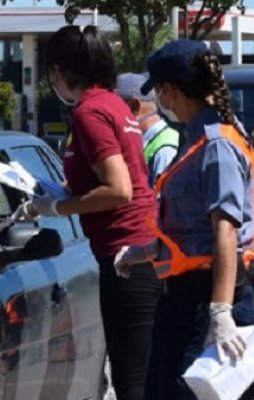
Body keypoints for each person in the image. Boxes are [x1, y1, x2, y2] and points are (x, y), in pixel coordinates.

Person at [114, 40, 254, 399]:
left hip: (205, 301)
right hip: (185, 300)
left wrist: (220, 312)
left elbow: (225, 231)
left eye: (161, 93)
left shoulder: (217, 144)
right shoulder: (196, 137)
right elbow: (192, 227)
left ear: (170, 91)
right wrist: (147, 250)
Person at [26, 25, 161, 400]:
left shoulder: (90, 112)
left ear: (60, 71)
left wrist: (55, 206)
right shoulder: (113, 103)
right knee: (138, 376)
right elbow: (112, 178)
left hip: (127, 255)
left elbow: (118, 189)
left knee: (132, 382)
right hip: (135, 251)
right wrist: (61, 192)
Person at [116, 73, 179, 187]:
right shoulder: (143, 142)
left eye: (113, 109)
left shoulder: (165, 150)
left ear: (134, 107)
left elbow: (162, 202)